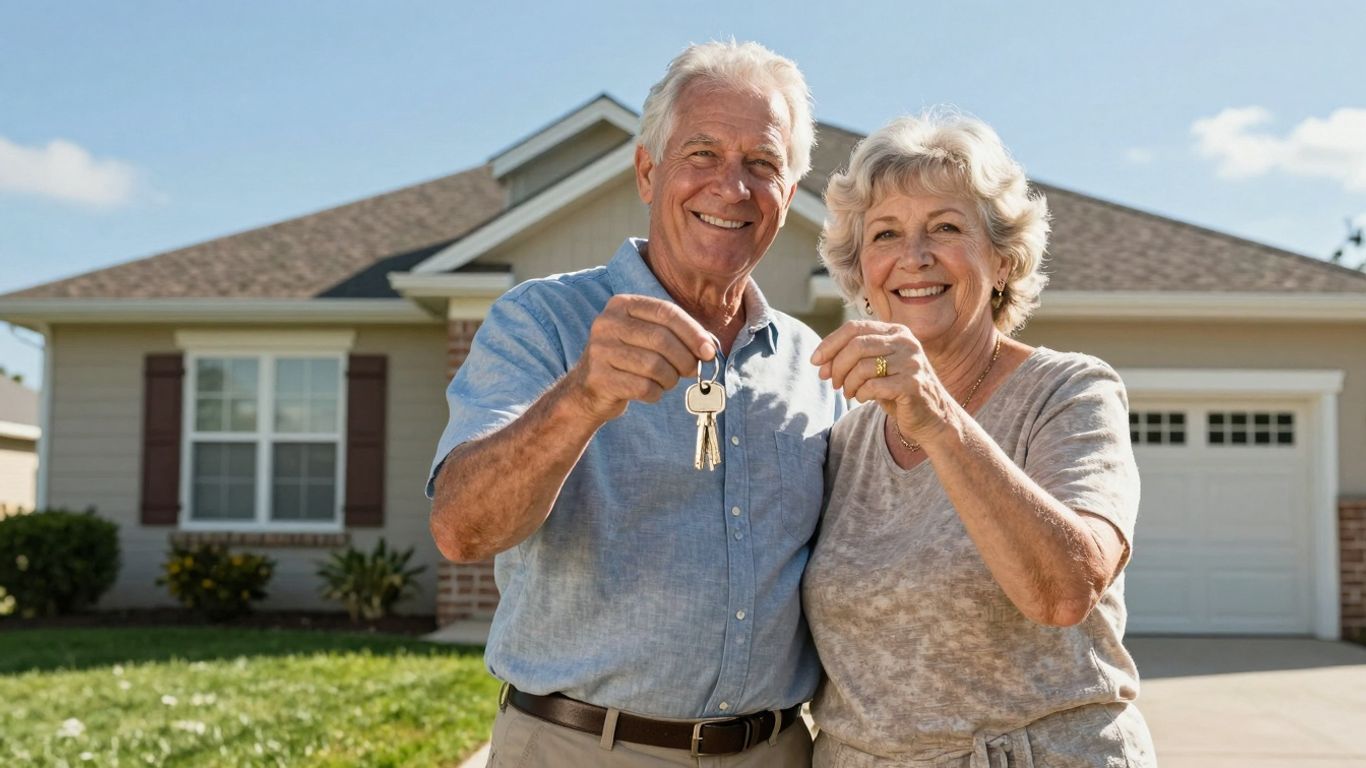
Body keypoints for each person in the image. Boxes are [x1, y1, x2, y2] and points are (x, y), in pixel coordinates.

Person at [428, 41, 844, 767]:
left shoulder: (814, 366)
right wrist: (582, 397)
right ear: (648, 172)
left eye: (763, 164)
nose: (731, 187)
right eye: (703, 154)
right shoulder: (543, 321)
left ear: (789, 192)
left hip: (776, 751)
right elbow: (462, 531)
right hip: (581, 748)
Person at [802, 112, 1156, 767]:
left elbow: (1064, 591)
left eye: (945, 227)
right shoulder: (843, 438)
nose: (915, 256)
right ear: (861, 274)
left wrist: (938, 419)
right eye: (886, 234)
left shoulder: (1068, 392)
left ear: (1002, 258)